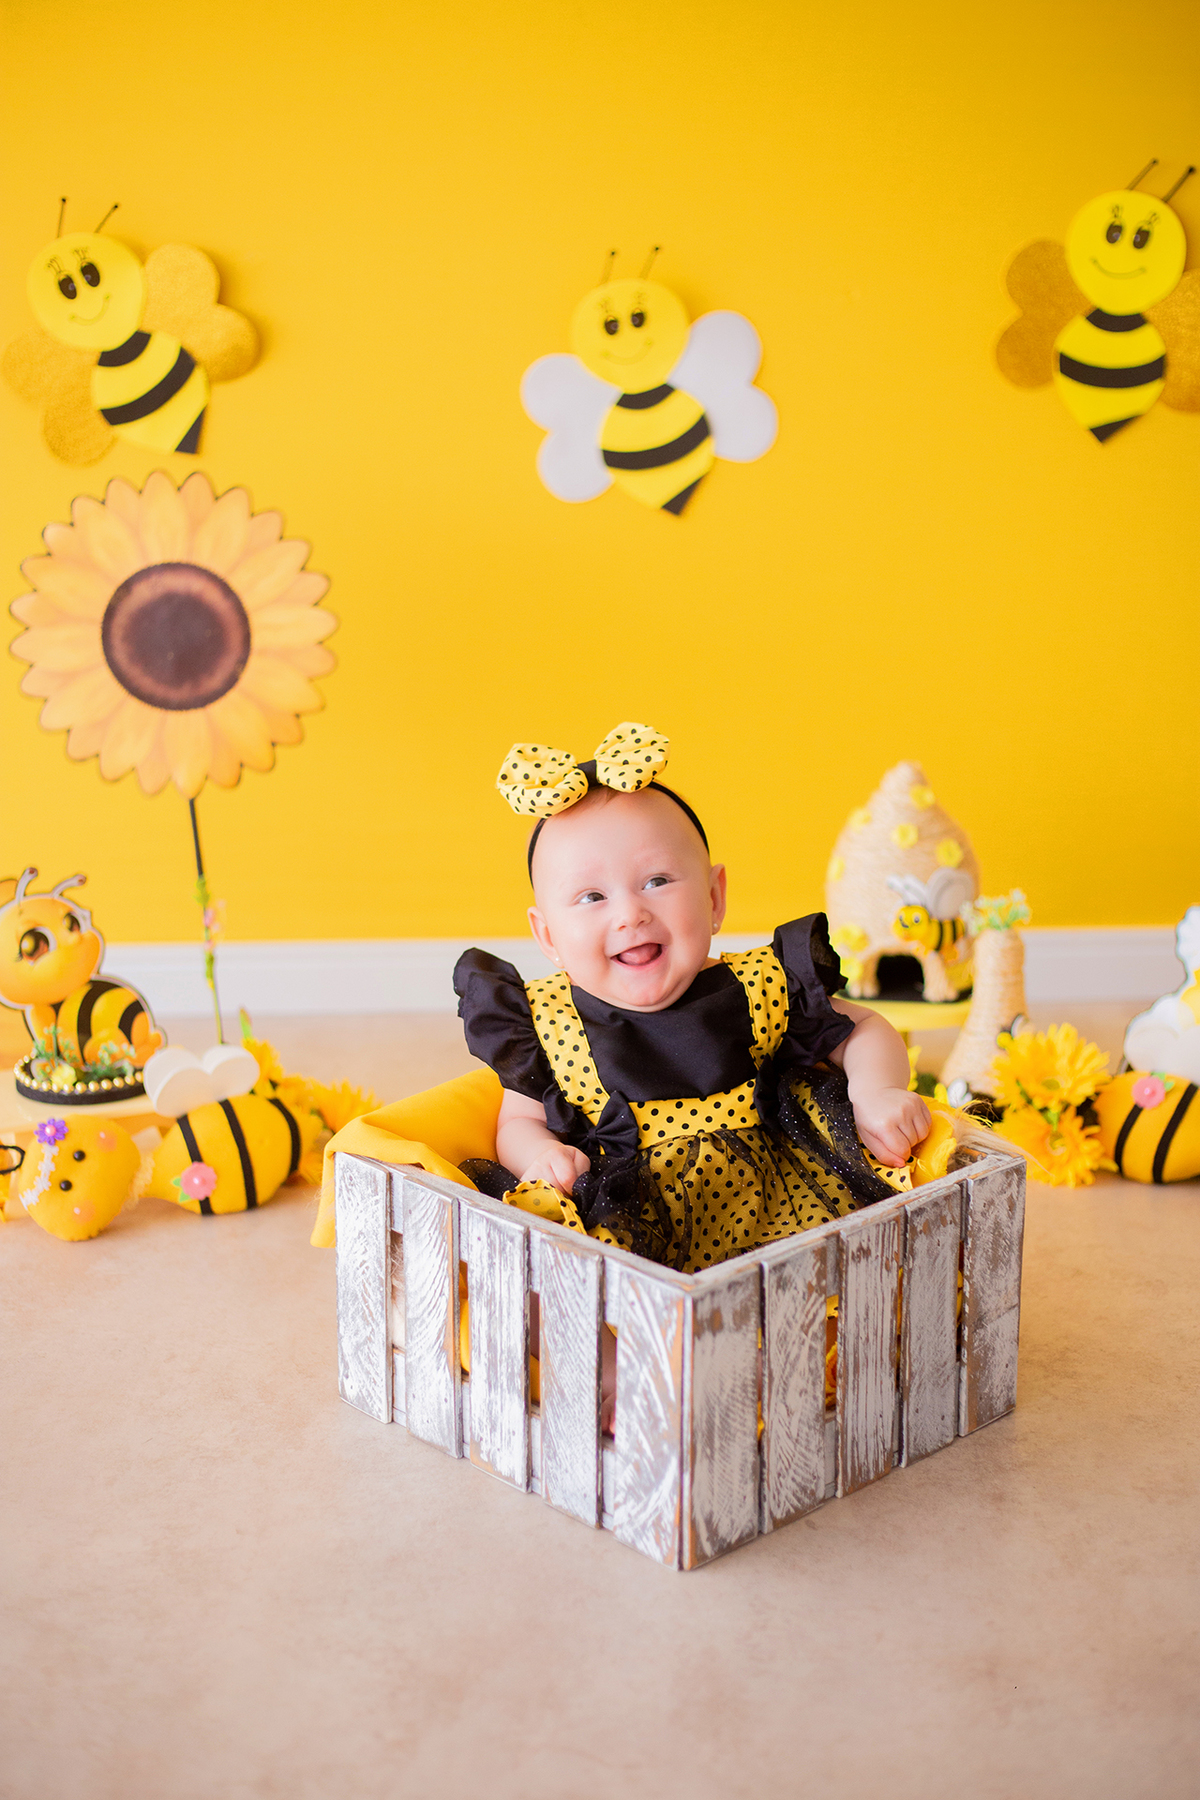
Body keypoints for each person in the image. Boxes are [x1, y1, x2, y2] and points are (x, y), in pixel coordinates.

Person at [454, 723, 930, 1276]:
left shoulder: (760, 984)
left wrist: (876, 1092)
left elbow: (864, 1028)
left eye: (657, 880)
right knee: (581, 1281)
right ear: (549, 937)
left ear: (713, 897)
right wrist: (539, 1155)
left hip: (777, 1198)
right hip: (630, 1215)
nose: (629, 913)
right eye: (591, 897)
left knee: (838, 1273)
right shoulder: (545, 1024)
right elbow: (516, 1121)